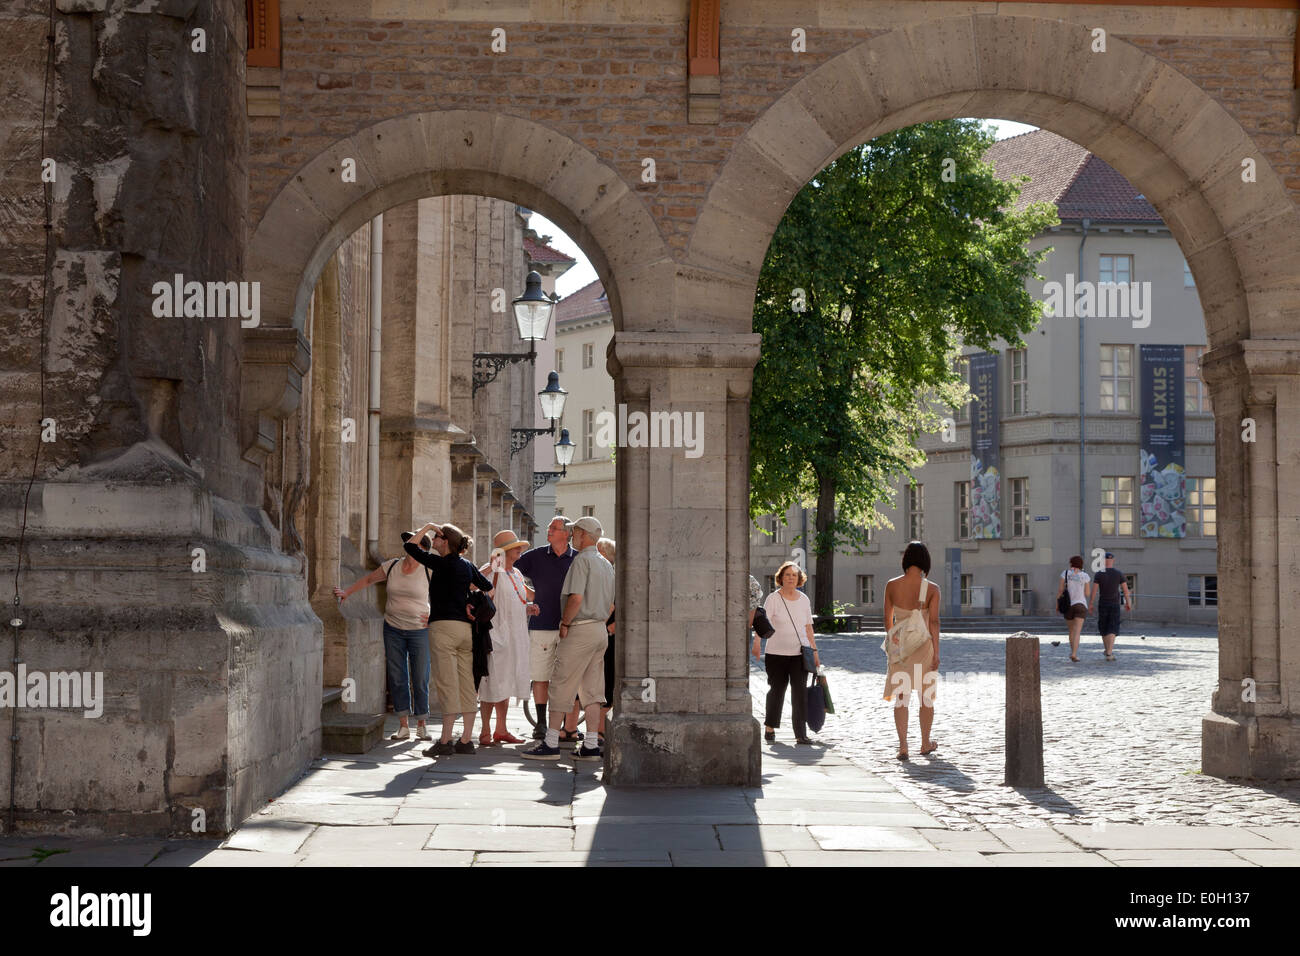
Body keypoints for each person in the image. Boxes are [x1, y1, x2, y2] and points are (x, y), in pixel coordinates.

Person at [521, 516, 615, 761]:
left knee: (562, 684)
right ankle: (591, 745)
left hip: (580, 628)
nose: (573, 536)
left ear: (584, 535)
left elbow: (575, 598)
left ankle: (551, 743)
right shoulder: (606, 564)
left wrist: (565, 623)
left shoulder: (581, 561)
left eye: (575, 533)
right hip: (599, 629)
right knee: (594, 691)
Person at [404, 521, 494, 756]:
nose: (433, 541)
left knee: (447, 684)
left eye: (436, 537)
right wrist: (469, 598)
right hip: (465, 631)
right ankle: (465, 740)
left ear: (446, 542)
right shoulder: (467, 565)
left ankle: (445, 741)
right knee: (466, 684)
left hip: (442, 627)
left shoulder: (440, 563)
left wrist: (427, 526)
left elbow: (410, 547)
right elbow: (487, 585)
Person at [333, 534, 433, 742]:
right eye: (407, 543)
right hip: (393, 628)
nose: (408, 547)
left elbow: (445, 593)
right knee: (397, 677)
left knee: (420, 676)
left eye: (413, 544)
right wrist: (347, 593)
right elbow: (369, 579)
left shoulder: (428, 569)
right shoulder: (392, 566)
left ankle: (422, 724)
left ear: (423, 549)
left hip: (418, 630)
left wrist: (435, 614)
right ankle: (403, 725)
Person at [513, 517, 580, 741]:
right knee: (540, 677)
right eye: (549, 526)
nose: (548, 530)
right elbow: (510, 570)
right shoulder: (536, 555)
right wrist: (529, 594)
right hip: (541, 626)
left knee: (565, 678)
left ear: (567, 533)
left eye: (554, 528)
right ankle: (541, 724)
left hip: (569, 627)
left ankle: (562, 724)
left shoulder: (578, 559)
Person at [882, 541, 941, 760]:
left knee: (901, 697)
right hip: (924, 646)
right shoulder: (932, 588)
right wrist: (936, 652)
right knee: (926, 697)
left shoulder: (892, 585)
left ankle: (903, 746)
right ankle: (925, 742)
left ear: (905, 560)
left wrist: (894, 642)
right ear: (926, 561)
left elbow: (888, 619)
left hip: (900, 646)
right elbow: (934, 622)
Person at [476, 530, 533, 745]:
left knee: (507, 681)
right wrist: (493, 564)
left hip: (515, 635)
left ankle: (501, 728)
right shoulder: (493, 573)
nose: (519, 549)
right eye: (515, 546)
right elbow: (475, 583)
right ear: (506, 551)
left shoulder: (517, 574)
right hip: (496, 634)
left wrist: (529, 608)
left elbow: (517, 601)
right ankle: (485, 730)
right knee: (491, 682)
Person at [758, 561, 819, 745]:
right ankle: (770, 726)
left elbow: (808, 628)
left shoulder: (804, 600)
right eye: (787, 575)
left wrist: (815, 651)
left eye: (794, 575)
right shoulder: (773, 599)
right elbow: (762, 624)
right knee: (777, 690)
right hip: (775, 654)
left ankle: (800, 733)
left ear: (799, 579)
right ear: (781, 578)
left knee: (800, 693)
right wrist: (756, 643)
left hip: (799, 654)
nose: (791, 578)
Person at [1089, 552, 1131, 662]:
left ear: (1103, 561)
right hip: (1115, 604)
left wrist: (1091, 603)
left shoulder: (1099, 574)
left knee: (1104, 627)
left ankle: (1107, 650)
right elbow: (1125, 590)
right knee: (1112, 627)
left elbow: (1094, 591)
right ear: (1113, 561)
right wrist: (1128, 603)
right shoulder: (1119, 573)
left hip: (1103, 603)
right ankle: (1109, 652)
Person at [596, 537, 616, 745]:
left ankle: (601, 730)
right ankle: (595, 731)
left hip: (609, 635)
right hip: (597, 631)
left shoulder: (613, 576)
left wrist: (613, 624)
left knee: (606, 682)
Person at [1056, 554, 1093, 663]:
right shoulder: (1085, 576)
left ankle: (1072, 652)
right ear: (1081, 565)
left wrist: (1057, 605)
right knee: (1077, 631)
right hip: (1080, 605)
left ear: (1071, 564)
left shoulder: (1065, 574)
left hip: (1068, 606)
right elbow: (1087, 593)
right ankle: (1074, 654)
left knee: (1071, 631)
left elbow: (1060, 591)